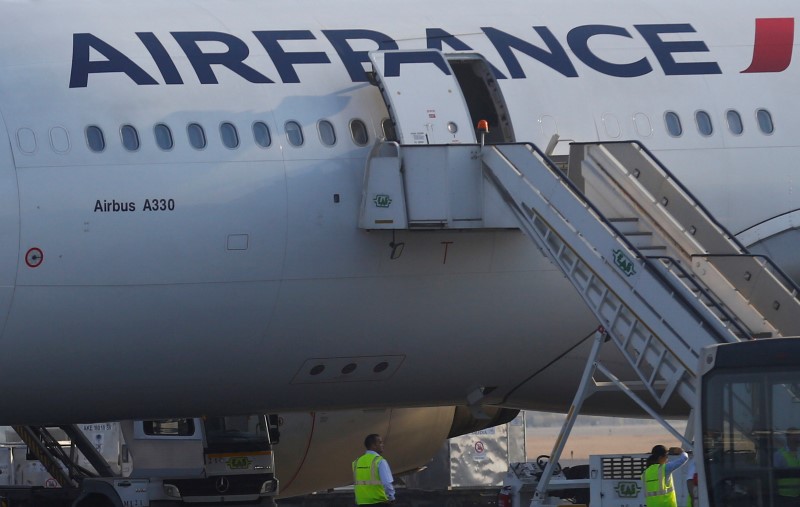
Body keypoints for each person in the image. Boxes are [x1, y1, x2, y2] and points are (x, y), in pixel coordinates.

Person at [353, 433, 395, 504]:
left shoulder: (357, 462)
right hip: (379, 502)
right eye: (380, 442)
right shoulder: (380, 461)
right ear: (373, 445)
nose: (383, 445)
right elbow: (387, 484)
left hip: (362, 503)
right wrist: (392, 498)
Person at [774, 427, 800, 502]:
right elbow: (773, 477)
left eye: (798, 435)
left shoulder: (799, 454)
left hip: (798, 496)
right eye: (794, 436)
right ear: (788, 438)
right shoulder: (779, 455)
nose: (797, 438)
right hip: (785, 497)